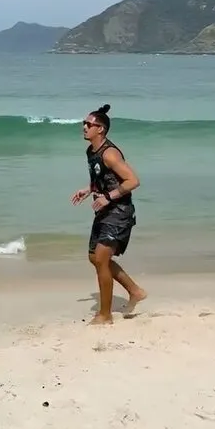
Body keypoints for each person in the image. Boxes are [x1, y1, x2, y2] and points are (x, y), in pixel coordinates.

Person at [71, 104, 146, 324]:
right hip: (105, 210)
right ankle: (135, 291)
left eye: (89, 124)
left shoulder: (109, 154)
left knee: (102, 258)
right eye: (84, 123)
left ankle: (105, 315)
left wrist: (108, 197)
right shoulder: (91, 151)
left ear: (100, 129)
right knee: (94, 258)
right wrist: (89, 189)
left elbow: (133, 181)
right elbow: (102, 177)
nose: (84, 127)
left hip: (119, 211)